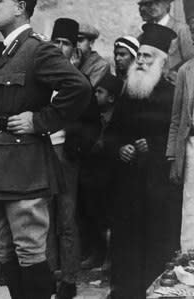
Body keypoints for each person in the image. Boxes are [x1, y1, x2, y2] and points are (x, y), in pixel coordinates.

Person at [0, 0, 91, 298]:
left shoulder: (37, 48)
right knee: (5, 249)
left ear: (19, 7)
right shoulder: (7, 49)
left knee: (29, 250)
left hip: (24, 162)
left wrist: (40, 121)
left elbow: (78, 87)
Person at [104, 23, 182, 299]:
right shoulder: (128, 92)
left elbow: (179, 138)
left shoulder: (172, 94)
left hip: (158, 189)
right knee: (125, 246)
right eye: (140, 56)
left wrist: (155, 146)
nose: (141, 62)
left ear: (161, 61)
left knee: (155, 247)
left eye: (148, 57)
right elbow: (111, 134)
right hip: (127, 188)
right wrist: (119, 148)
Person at [49, 17, 101, 299]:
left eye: (66, 43)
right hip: (40, 153)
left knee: (66, 219)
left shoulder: (79, 81)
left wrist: (76, 144)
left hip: (66, 155)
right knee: (41, 216)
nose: (60, 48)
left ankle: (68, 279)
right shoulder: (41, 78)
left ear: (74, 50)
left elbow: (93, 124)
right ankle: (46, 274)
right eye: (55, 42)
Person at [78, 72, 124, 270]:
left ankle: (110, 258)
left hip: (112, 176)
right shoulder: (94, 117)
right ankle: (97, 254)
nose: (95, 95)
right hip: (94, 175)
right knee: (93, 215)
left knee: (110, 218)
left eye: (100, 92)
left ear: (112, 97)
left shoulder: (120, 118)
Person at [167, 57, 194, 252]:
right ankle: (189, 258)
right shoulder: (186, 70)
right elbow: (176, 117)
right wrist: (173, 154)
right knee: (191, 203)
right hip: (191, 143)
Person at [138, 0, 194, 82]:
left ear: (167, 5)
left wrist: (172, 72)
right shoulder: (145, 33)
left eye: (155, 3)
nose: (151, 7)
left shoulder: (181, 29)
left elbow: (190, 59)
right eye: (147, 4)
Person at [77, 23, 111, 87]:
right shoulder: (71, 60)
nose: (76, 44)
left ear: (91, 42)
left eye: (80, 40)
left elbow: (86, 90)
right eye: (74, 40)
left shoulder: (101, 65)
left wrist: (74, 68)